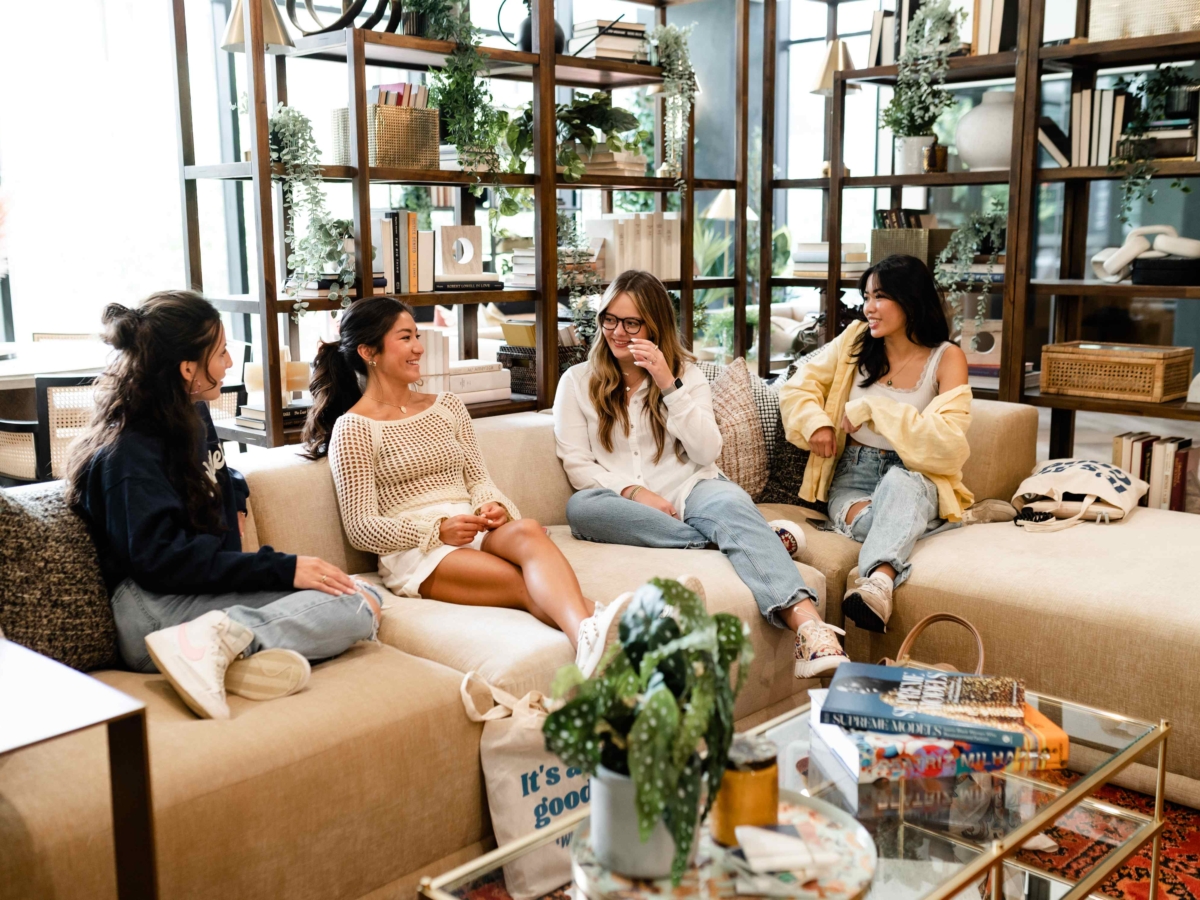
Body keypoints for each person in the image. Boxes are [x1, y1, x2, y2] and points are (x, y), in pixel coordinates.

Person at [68, 291, 381, 720]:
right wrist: (283, 568)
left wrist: (234, 490)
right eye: (221, 353)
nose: (229, 364)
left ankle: (222, 661)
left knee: (362, 594)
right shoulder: (129, 453)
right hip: (151, 609)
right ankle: (202, 648)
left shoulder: (191, 417)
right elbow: (162, 561)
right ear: (187, 368)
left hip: (193, 592)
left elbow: (213, 471)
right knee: (353, 607)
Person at [553, 269, 849, 679]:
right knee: (580, 509)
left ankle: (810, 628)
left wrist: (666, 383)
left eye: (631, 322)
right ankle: (752, 542)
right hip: (626, 505)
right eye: (609, 319)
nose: (617, 332)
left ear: (655, 326)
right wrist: (635, 492)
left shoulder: (686, 375)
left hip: (692, 488)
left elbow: (707, 451)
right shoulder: (576, 381)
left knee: (728, 501)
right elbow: (577, 463)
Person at [303, 296, 613, 672]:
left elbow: (480, 480)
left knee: (529, 531)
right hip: (419, 550)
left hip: (472, 526)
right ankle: (613, 639)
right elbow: (361, 528)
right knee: (523, 584)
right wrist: (438, 530)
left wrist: (492, 506)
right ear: (370, 351)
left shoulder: (448, 405)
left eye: (417, 335)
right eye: (405, 338)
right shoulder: (353, 428)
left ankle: (598, 646)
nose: (419, 347)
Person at [779, 254, 973, 634]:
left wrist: (874, 409)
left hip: (916, 475)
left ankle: (878, 582)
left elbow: (948, 444)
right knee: (881, 518)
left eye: (880, 297)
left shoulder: (947, 358)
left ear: (911, 300)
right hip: (853, 479)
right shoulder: (854, 342)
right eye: (866, 296)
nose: (869, 308)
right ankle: (932, 522)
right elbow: (798, 386)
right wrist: (817, 422)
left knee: (903, 486)